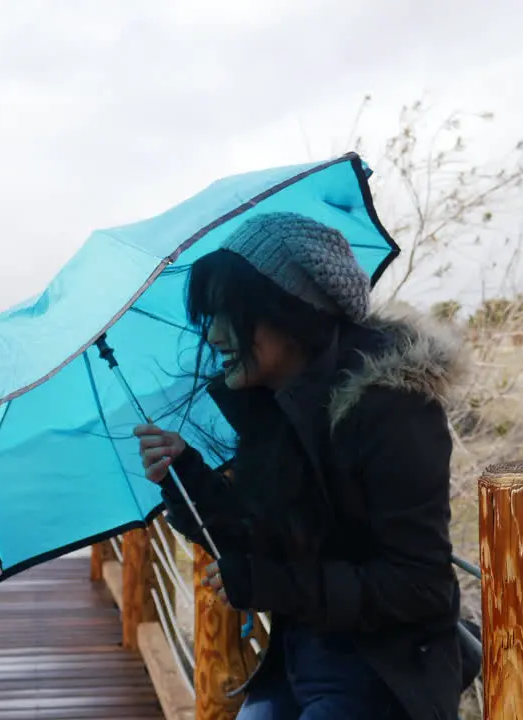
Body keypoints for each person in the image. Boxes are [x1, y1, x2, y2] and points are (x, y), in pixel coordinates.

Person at [134, 211, 469, 719]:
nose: (216, 336)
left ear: (290, 312)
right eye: (211, 317)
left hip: (385, 672)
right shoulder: (274, 409)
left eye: (230, 314)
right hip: (298, 655)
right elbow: (258, 546)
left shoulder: (393, 410)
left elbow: (417, 586)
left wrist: (272, 585)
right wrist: (188, 479)